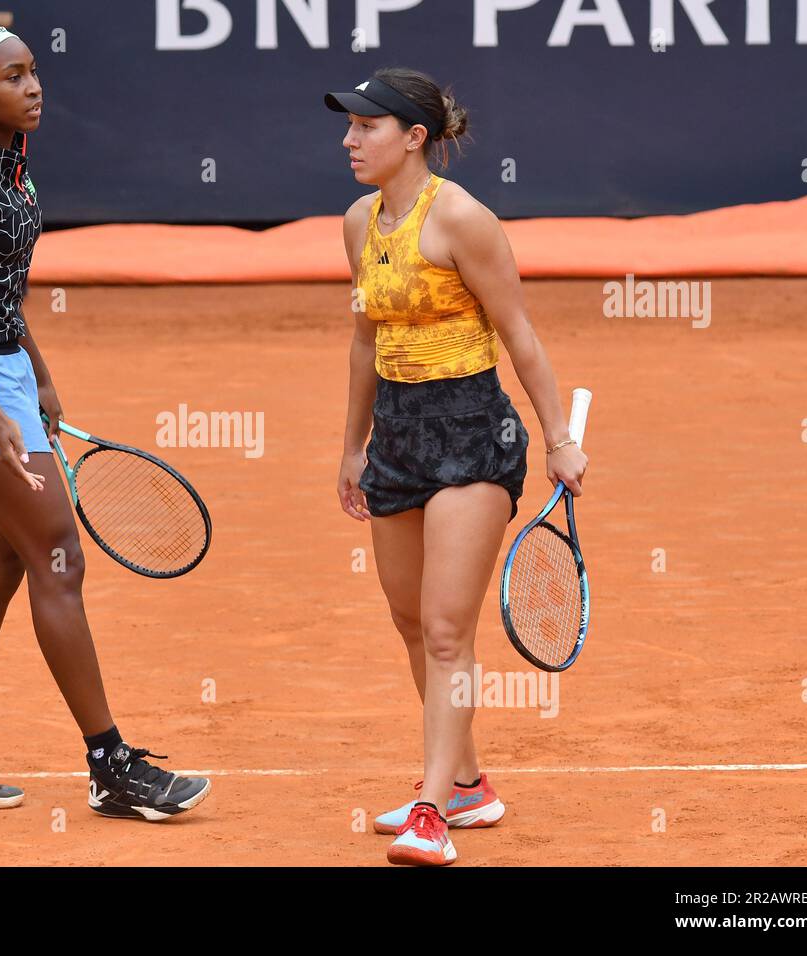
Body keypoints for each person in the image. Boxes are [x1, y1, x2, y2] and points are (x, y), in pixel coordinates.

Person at [0, 24, 211, 821]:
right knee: (58, 556)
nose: (32, 88)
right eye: (12, 76)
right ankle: (112, 766)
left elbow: (0, 286)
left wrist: (38, 376)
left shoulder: (10, 162)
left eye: (34, 73)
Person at [327, 69, 588, 866]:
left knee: (446, 633)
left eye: (366, 126)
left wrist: (557, 440)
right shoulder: (357, 222)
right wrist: (351, 445)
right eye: (348, 126)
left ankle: (433, 809)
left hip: (473, 434)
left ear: (413, 138)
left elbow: (521, 333)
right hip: (398, 437)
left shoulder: (465, 220)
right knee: (411, 624)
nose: (348, 140)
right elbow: (367, 339)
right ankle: (471, 783)